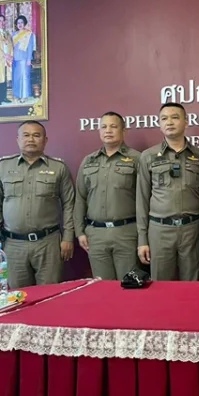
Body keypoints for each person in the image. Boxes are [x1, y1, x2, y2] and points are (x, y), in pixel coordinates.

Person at [0, 120, 75, 287]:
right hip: (13, 245)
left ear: (45, 140)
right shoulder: (3, 166)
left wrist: (68, 237)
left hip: (48, 243)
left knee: (49, 295)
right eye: (26, 135)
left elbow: (69, 204)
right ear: (18, 139)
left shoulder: (59, 167)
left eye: (36, 135)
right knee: (17, 296)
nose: (31, 139)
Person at [136, 103, 199, 280]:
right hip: (159, 230)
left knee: (191, 284)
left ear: (186, 122)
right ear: (159, 124)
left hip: (192, 230)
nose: (169, 122)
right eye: (164, 118)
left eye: (175, 117)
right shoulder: (148, 156)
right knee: (160, 285)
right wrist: (142, 240)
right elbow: (142, 200)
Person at [74, 111, 141, 280]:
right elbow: (80, 198)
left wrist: (143, 235)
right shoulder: (88, 161)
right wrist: (80, 231)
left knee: (128, 285)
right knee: (102, 287)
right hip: (96, 235)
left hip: (127, 232)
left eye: (113, 126)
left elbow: (145, 199)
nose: (108, 130)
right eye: (104, 127)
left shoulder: (137, 159)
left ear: (124, 131)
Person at [12, 15, 36, 103]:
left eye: (21, 22)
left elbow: (30, 47)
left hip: (24, 59)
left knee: (24, 77)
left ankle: (24, 96)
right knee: (16, 78)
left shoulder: (29, 34)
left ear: (24, 23)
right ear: (16, 24)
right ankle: (17, 95)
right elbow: (11, 47)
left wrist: (29, 59)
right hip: (15, 59)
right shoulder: (14, 34)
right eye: (18, 23)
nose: (20, 24)